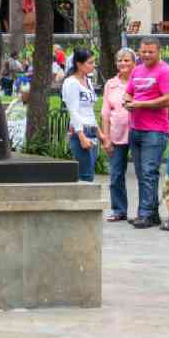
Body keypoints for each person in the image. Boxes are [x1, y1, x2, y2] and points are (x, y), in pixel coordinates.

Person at [124, 37, 169, 229]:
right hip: (136, 128)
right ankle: (150, 213)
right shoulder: (137, 70)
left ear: (159, 51)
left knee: (148, 172)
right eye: (143, 51)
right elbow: (128, 92)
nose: (146, 55)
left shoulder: (166, 71)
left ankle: (145, 214)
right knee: (141, 173)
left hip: (155, 131)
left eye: (150, 52)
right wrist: (127, 101)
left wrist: (140, 104)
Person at [103, 48, 136, 222]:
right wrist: (106, 138)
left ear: (134, 63)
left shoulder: (139, 81)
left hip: (139, 133)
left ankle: (145, 211)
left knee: (144, 173)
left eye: (127, 60)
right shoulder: (111, 84)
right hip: (116, 135)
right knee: (116, 174)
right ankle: (119, 210)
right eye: (120, 60)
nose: (122, 63)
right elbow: (105, 113)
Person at [61, 49, 101, 183]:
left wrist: (98, 131)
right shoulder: (71, 82)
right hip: (80, 131)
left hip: (91, 129)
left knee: (89, 173)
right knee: (85, 176)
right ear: (79, 64)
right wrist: (81, 136)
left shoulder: (87, 81)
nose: (93, 65)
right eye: (90, 63)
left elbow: (89, 110)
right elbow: (74, 111)